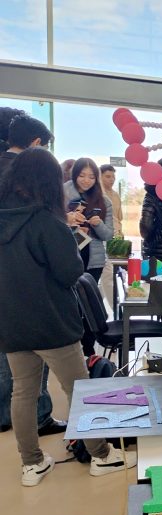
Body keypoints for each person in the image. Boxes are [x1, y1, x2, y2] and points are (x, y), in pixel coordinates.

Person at [0, 147, 137, 486]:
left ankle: (32, 464)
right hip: (52, 323)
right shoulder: (49, 222)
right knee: (79, 389)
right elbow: (70, 272)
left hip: (12, 323)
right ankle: (101, 455)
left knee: (23, 393)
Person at [0, 110, 66, 437]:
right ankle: (40, 418)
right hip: (31, 284)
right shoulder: (26, 176)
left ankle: (11, 421)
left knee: (12, 362)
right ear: (37, 143)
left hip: (7, 283)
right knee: (30, 368)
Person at [64, 158, 114, 282]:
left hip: (93, 262)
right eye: (82, 175)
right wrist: (68, 220)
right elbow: (50, 224)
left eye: (91, 177)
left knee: (89, 292)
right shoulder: (61, 195)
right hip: (66, 257)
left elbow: (108, 235)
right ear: (74, 174)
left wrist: (98, 224)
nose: (86, 180)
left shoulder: (104, 202)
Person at [99, 164, 123, 303]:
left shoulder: (116, 195)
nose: (112, 179)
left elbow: (119, 218)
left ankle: (93, 307)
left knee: (108, 273)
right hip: (102, 237)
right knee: (107, 273)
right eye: (108, 176)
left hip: (116, 237)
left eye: (113, 176)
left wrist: (120, 234)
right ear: (100, 176)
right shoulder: (97, 195)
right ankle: (117, 309)